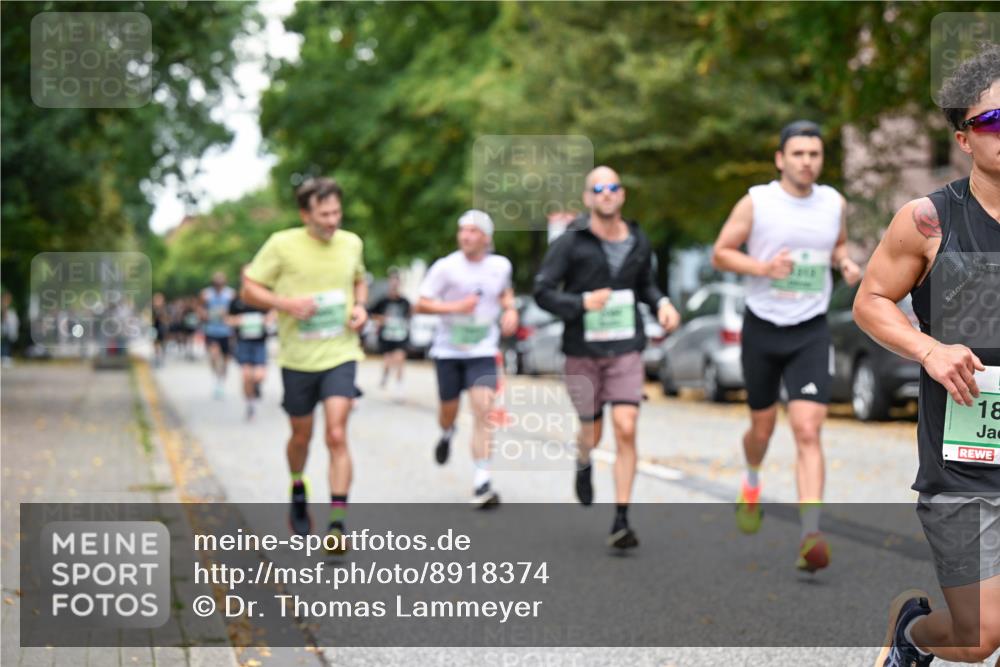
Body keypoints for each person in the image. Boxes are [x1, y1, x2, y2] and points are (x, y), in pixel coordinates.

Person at [854, 45, 1000, 666]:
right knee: (979, 637)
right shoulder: (929, 220)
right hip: (968, 457)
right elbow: (871, 301)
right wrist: (931, 349)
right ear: (965, 137)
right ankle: (912, 634)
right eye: (993, 121)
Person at [711, 121, 862, 572]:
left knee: (808, 429)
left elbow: (836, 246)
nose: (807, 162)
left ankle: (810, 533)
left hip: (809, 330)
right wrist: (762, 267)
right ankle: (752, 481)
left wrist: (845, 261)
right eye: (798, 154)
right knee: (762, 429)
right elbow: (721, 252)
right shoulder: (757, 201)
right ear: (780, 158)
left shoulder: (834, 202)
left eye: (814, 154)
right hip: (763, 327)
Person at [534, 166, 681, 549]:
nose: (606, 193)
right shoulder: (571, 242)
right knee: (592, 432)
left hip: (626, 346)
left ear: (622, 194)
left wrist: (663, 304)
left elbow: (646, 284)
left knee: (627, 425)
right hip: (582, 350)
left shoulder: (637, 238)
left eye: (613, 187)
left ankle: (621, 519)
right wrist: (581, 302)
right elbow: (543, 291)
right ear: (587, 198)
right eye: (598, 188)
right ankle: (584, 461)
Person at [242, 177, 368, 551]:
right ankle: (298, 485)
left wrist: (360, 307)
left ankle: (338, 525)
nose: (332, 221)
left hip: (341, 353)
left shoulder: (352, 243)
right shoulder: (282, 245)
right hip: (297, 358)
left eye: (337, 213)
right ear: (305, 214)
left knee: (336, 434)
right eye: (324, 214)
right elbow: (249, 288)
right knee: (302, 436)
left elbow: (360, 280)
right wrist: (286, 304)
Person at [415, 210, 518, 508]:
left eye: (473, 231)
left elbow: (505, 294)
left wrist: (510, 310)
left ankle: (482, 481)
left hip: (483, 351)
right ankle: (447, 432)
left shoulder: (500, 266)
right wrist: (455, 307)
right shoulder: (446, 268)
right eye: (462, 230)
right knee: (449, 410)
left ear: (486, 237)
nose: (465, 236)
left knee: (484, 410)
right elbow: (421, 304)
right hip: (448, 351)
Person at [228, 265, 274, 421]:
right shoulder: (237, 299)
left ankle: (256, 388)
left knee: (259, 376)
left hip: (260, 342)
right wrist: (239, 321)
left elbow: (274, 311)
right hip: (244, 342)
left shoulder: (264, 297)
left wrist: (268, 319)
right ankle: (250, 405)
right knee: (246, 376)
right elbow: (228, 319)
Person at [370, 270, 412, 401]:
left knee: (399, 359)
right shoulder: (382, 301)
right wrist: (381, 319)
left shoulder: (405, 301)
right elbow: (371, 313)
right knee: (388, 361)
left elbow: (410, 315)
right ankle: (385, 374)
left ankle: (399, 387)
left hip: (400, 335)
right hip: (386, 336)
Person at [201, 272, 235, 398]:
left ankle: (221, 381)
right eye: (216, 284)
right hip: (212, 330)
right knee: (214, 356)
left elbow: (235, 311)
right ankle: (216, 379)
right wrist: (205, 315)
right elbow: (200, 309)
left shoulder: (230, 294)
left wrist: (227, 315)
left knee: (226, 360)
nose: (218, 286)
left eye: (220, 284)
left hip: (226, 332)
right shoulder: (206, 295)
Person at [1, 291, 18, 368]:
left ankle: (6, 357)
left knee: (7, 342)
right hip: (4, 327)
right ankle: (4, 358)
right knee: (5, 343)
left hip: (8, 328)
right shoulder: (3, 305)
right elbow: (4, 317)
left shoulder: (8, 306)